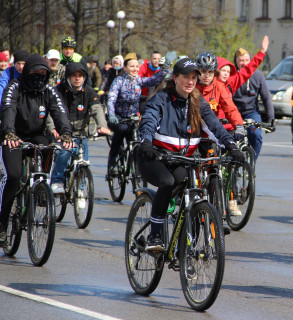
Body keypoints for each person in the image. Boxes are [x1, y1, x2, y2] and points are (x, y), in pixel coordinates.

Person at [137, 57, 245, 250]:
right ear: (175, 78)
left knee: (193, 191)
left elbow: (214, 125)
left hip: (180, 159)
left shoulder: (197, 101)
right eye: (186, 77)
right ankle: (154, 235)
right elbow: (149, 121)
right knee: (167, 182)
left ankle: (184, 249)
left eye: (194, 77)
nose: (190, 81)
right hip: (155, 156)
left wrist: (231, 146)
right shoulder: (161, 99)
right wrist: (146, 142)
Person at [0, 54, 73, 246]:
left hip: (37, 134)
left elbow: (60, 111)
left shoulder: (48, 90)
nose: (39, 76)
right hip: (13, 136)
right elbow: (8, 109)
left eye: (43, 73)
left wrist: (66, 133)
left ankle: (39, 188)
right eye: (35, 72)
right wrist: (8, 132)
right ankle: (2, 224)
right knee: (14, 177)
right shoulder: (14, 87)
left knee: (47, 151)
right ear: (27, 72)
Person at [195, 51, 245, 219]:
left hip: (211, 136)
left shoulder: (219, 87)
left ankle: (219, 212)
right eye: (202, 71)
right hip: (191, 135)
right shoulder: (192, 85)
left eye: (210, 72)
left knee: (214, 170)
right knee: (188, 171)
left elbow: (230, 108)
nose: (206, 76)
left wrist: (239, 126)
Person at [48, 62, 110, 195]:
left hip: (81, 133)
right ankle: (57, 181)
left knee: (84, 161)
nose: (77, 78)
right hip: (61, 132)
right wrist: (52, 128)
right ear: (68, 77)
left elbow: (97, 109)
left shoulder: (89, 92)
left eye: (80, 76)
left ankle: (81, 190)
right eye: (74, 75)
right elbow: (50, 112)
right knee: (65, 151)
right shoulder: (57, 91)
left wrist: (102, 126)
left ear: (84, 77)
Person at [106, 52, 170, 173]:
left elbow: (155, 79)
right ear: (125, 68)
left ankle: (138, 166)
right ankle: (113, 160)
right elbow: (111, 99)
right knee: (121, 130)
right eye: (131, 66)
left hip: (133, 117)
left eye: (136, 66)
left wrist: (166, 67)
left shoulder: (139, 80)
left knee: (138, 138)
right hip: (118, 117)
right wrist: (111, 114)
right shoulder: (118, 81)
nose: (135, 69)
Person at [232, 46, 274, 161]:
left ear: (251, 61)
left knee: (256, 136)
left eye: (246, 60)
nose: (244, 63)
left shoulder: (258, 75)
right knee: (229, 138)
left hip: (252, 112)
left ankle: (251, 163)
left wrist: (270, 119)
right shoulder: (231, 75)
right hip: (234, 112)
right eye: (241, 60)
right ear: (235, 61)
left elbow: (266, 97)